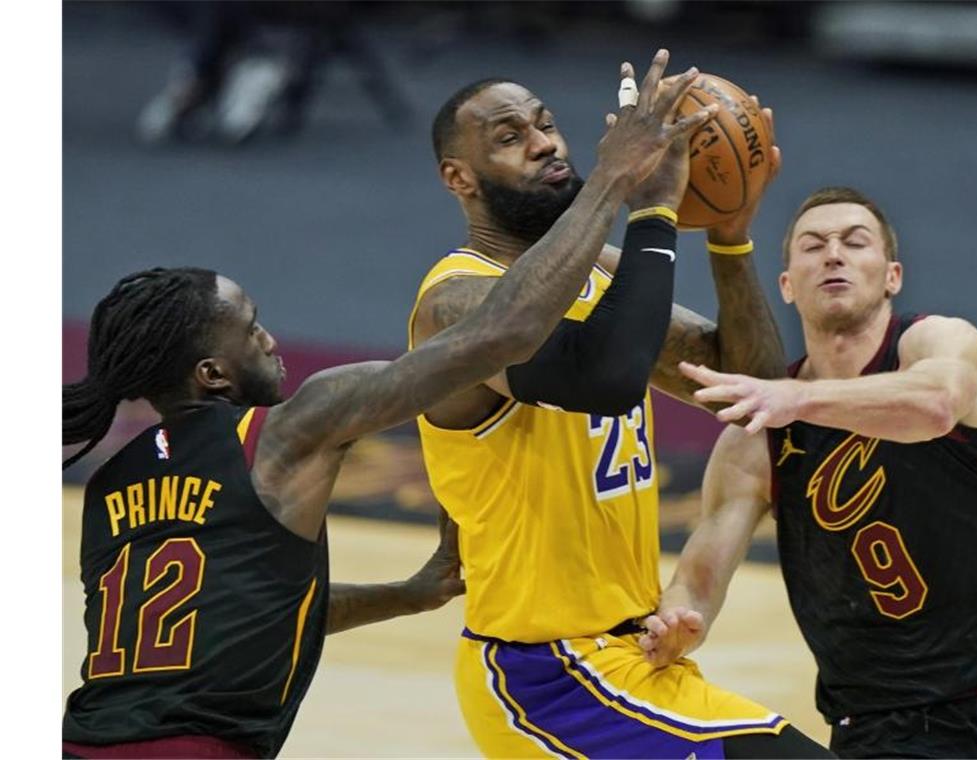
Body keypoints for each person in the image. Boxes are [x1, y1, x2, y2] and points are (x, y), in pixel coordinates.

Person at [61, 49, 714, 759]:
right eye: (252, 329)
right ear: (215, 375)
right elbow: (499, 337)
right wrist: (620, 183)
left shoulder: (113, 486)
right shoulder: (292, 427)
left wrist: (407, 594)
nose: (271, 336)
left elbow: (250, 616)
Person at [410, 50, 832, 758]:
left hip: (637, 655)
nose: (545, 142)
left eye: (546, 125)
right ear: (459, 177)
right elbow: (601, 378)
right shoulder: (457, 302)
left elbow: (753, 393)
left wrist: (731, 234)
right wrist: (645, 204)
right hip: (545, 674)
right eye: (511, 137)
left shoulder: (601, 270)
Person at [644, 186, 977, 758]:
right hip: (882, 730)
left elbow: (936, 405)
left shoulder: (934, 341)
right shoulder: (755, 441)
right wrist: (677, 620)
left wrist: (798, 398)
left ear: (891, 275)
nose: (833, 255)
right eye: (813, 246)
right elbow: (699, 578)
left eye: (855, 242)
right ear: (788, 285)